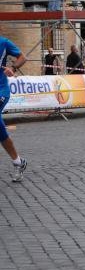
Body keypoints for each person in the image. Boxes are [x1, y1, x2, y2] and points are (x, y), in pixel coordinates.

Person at [0, 37, 28, 182]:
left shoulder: (4, 42)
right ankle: (18, 162)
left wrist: (13, 68)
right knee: (1, 132)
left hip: (1, 90)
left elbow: (23, 57)